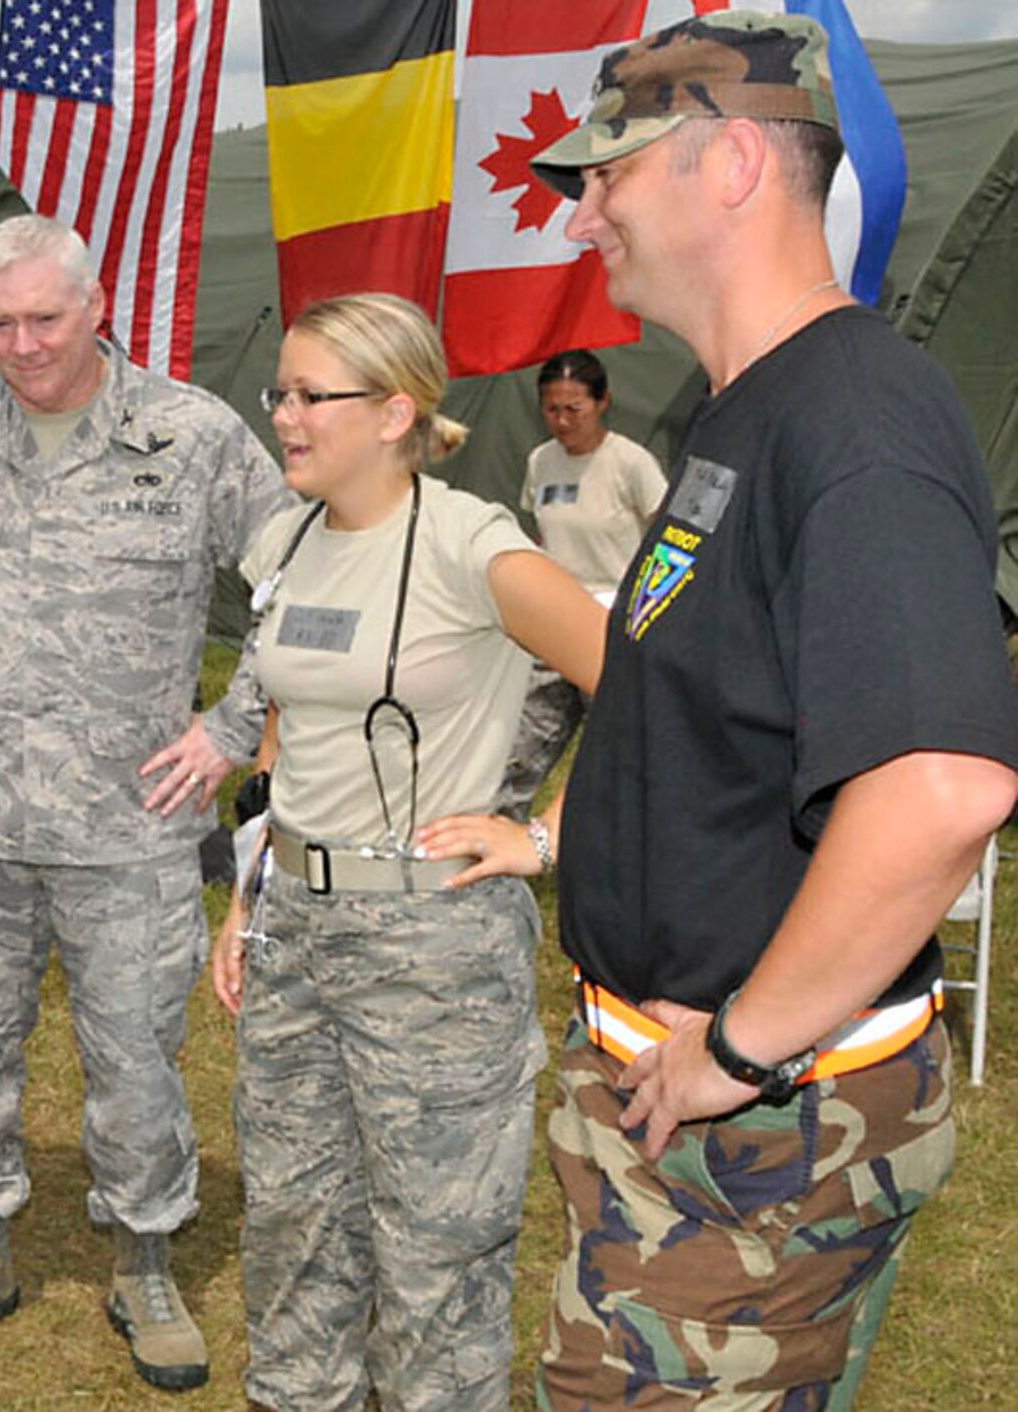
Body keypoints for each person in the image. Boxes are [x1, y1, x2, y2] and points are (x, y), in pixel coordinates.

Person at [425, 12, 1018, 1405]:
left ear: (734, 163)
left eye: (609, 175)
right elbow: (689, 694)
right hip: (679, 1104)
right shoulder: (738, 412)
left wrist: (744, 1048)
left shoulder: (853, 422)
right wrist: (558, 837)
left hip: (763, 1132)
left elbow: (943, 787)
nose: (581, 213)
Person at [0, 213, 290, 1391]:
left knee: (136, 1057)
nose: (23, 345)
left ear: (96, 307)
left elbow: (302, 570)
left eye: (45, 317)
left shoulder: (190, 437)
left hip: (129, 827)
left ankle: (143, 1259)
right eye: (0, 323)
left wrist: (231, 723)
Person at [208, 293, 604, 1411]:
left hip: (430, 945)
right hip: (296, 931)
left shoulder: (469, 543)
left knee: (434, 1250)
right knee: (291, 1225)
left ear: (394, 410)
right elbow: (288, 733)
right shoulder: (282, 539)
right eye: (276, 392)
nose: (282, 415)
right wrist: (249, 893)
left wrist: (538, 836)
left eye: (306, 395)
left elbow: (644, 687)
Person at [493, 348, 665, 819]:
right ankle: (501, 834)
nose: (562, 421)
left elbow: (664, 542)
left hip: (613, 623)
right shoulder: (541, 461)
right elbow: (543, 534)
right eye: (552, 409)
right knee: (519, 744)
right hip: (552, 622)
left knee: (620, 747)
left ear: (603, 401)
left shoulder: (631, 463)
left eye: (574, 409)